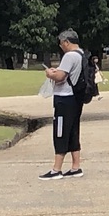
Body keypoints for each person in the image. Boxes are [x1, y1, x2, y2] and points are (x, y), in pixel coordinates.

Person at [40, 30, 88, 177]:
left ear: (67, 42)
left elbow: (60, 77)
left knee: (60, 131)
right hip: (76, 97)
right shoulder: (81, 54)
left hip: (64, 98)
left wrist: (50, 73)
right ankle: (75, 166)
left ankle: (56, 169)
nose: (61, 47)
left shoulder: (69, 56)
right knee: (73, 129)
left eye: (61, 44)